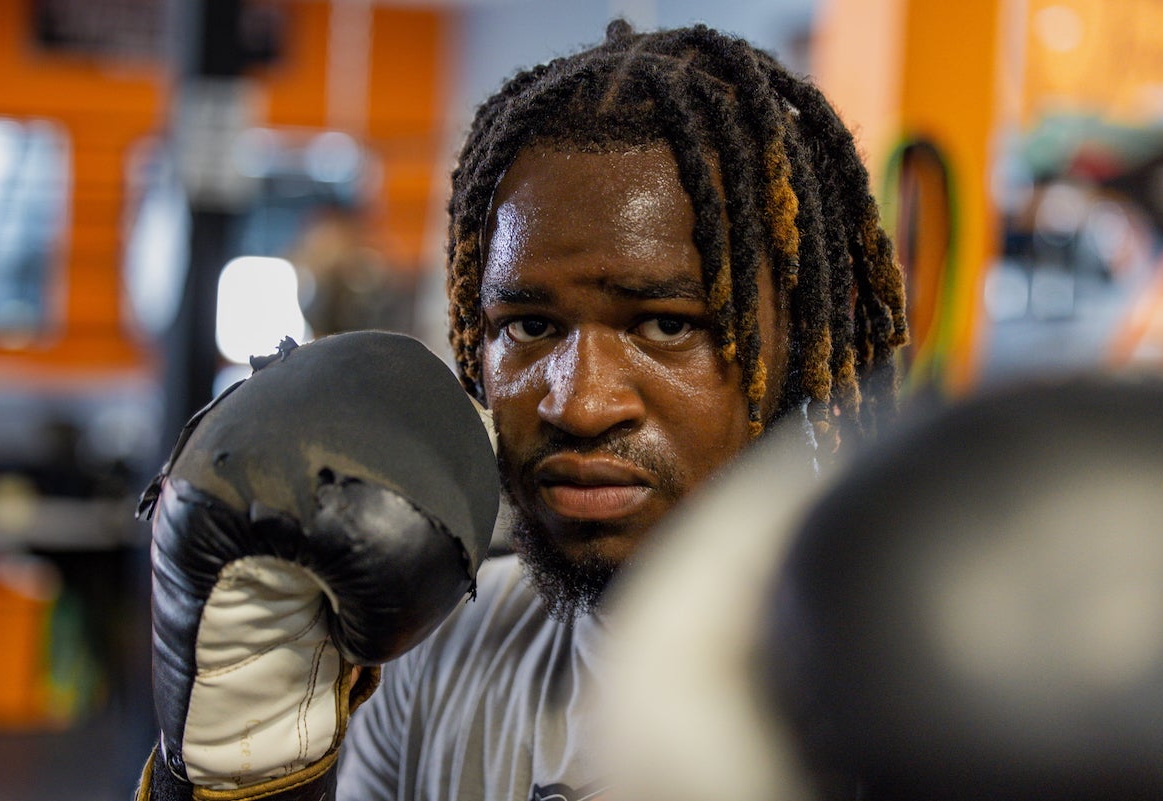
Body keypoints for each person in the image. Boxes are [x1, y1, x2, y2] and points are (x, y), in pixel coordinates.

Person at [134, 19, 908, 801]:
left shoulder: (898, 693)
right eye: (530, 326)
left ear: (804, 337)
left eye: (667, 324)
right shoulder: (434, 653)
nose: (577, 402)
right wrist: (242, 771)